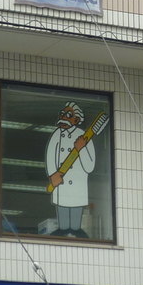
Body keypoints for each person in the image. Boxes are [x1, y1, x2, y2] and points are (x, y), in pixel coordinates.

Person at [46, 101, 96, 238]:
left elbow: (90, 166)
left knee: (75, 204)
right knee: (62, 204)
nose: (64, 117)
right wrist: (53, 174)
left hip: (77, 183)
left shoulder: (84, 137)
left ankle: (76, 228)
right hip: (60, 181)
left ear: (77, 120)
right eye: (63, 114)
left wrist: (81, 149)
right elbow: (50, 157)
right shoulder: (57, 135)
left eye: (68, 115)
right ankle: (62, 228)